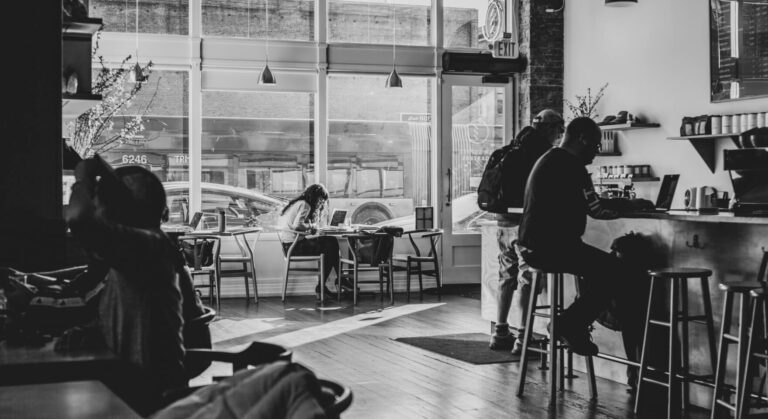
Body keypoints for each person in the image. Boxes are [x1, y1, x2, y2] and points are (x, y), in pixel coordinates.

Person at [516, 117, 653, 356]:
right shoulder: (572, 165)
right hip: (553, 248)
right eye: (595, 145)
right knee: (618, 272)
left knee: (606, 270)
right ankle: (569, 324)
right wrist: (633, 205)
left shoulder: (548, 159)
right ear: (582, 139)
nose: (596, 152)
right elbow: (597, 209)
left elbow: (588, 204)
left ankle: (571, 324)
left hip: (533, 247)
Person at [64, 156, 188, 414]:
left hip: (151, 391)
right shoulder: (141, 248)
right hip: (135, 381)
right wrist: (96, 332)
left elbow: (79, 219)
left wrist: (82, 179)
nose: (97, 208)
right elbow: (128, 309)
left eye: (100, 203)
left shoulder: (148, 247)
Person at [491, 109, 565, 353]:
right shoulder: (544, 154)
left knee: (506, 275)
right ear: (551, 128)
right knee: (527, 278)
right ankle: (523, 337)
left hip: (503, 222)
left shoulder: (514, 146)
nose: (560, 135)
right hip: (527, 224)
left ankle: (500, 331)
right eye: (559, 130)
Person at [277, 184, 344, 298]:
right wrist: (311, 226)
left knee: (329, 245)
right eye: (321, 200)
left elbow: (296, 226)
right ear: (315, 197)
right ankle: (338, 281)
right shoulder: (305, 205)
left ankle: (330, 283)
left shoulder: (297, 203)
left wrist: (310, 229)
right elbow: (297, 226)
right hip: (295, 247)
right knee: (331, 243)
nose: (321, 203)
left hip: (288, 246)